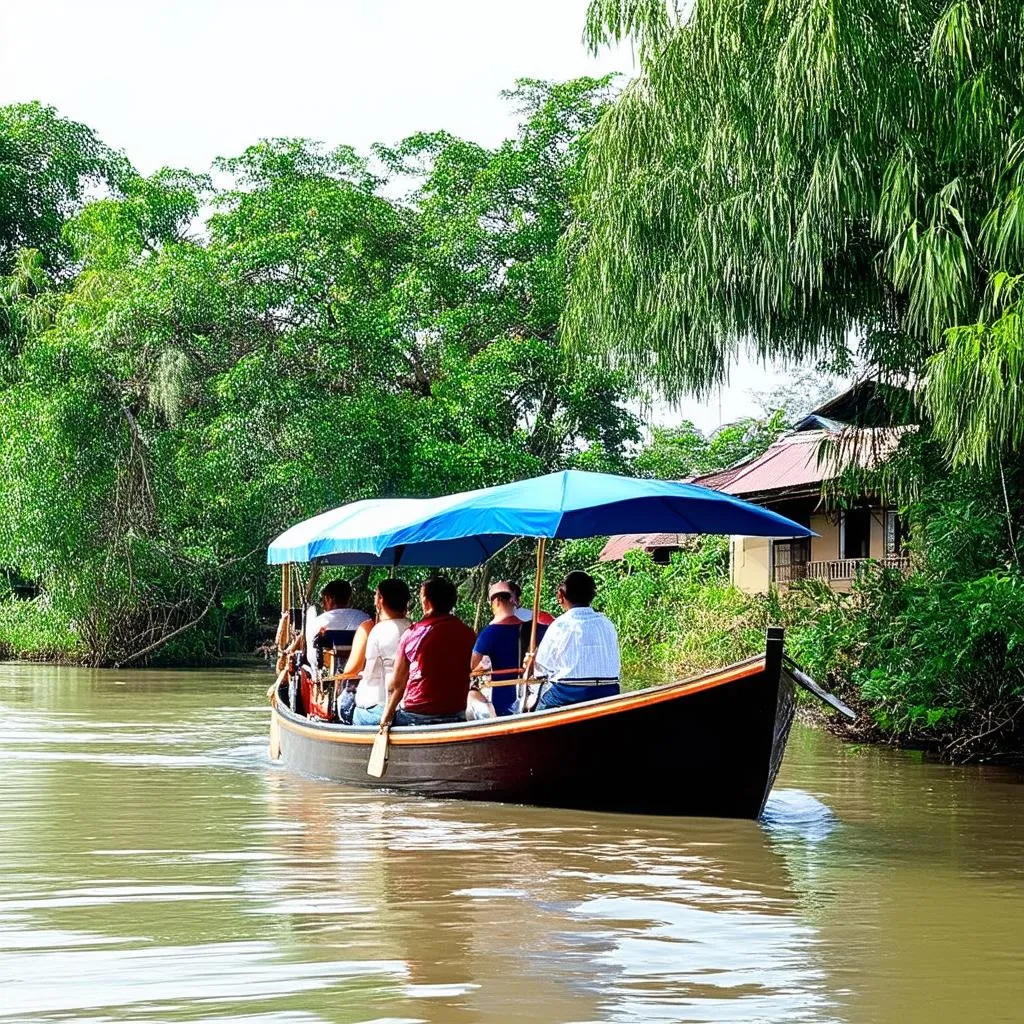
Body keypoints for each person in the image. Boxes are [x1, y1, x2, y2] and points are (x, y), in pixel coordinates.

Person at [381, 576, 476, 727]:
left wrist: (387, 715)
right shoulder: (469, 633)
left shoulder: (412, 634)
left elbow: (397, 685)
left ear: (426, 602)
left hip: (416, 715)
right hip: (456, 713)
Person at [526, 570, 620, 711]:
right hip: (609, 692)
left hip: (567, 695)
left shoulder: (560, 625)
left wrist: (531, 662)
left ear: (561, 596)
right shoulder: (607, 623)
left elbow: (541, 671)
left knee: (533, 708)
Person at [334, 578, 413, 726]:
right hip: (404, 707)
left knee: (344, 701)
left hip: (376, 710)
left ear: (381, 599)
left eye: (376, 595)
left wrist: (340, 681)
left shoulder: (374, 630)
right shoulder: (413, 627)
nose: (374, 598)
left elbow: (352, 671)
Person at [471, 580, 548, 716]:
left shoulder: (489, 633)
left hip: (500, 700)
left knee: (471, 695)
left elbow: (471, 665)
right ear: (512, 600)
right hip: (530, 699)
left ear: (497, 601)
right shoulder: (535, 629)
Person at [303, 579, 371, 681]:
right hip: (359, 677)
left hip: (324, 680)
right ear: (349, 598)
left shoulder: (317, 623)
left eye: (323, 600)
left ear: (328, 598)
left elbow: (311, 658)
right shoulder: (364, 619)